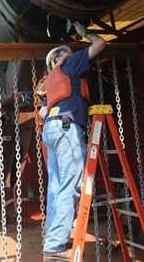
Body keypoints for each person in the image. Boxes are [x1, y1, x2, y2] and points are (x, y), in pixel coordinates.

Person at [41, 21, 106, 261]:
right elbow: (100, 44)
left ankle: (53, 240)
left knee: (57, 187)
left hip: (52, 129)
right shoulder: (69, 63)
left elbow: (41, 113)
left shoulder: (50, 81)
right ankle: (56, 245)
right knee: (71, 185)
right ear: (61, 56)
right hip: (67, 130)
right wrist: (85, 33)